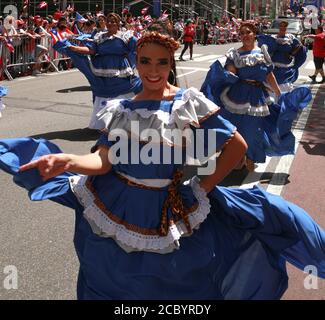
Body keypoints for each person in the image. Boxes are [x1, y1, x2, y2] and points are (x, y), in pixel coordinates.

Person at [1, 23, 325, 301]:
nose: (152, 70)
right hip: (119, 201)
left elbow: (236, 146)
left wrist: (203, 186)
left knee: (177, 279)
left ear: (171, 62)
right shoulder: (122, 108)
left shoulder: (187, 103)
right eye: (145, 61)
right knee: (111, 273)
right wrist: (69, 159)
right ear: (136, 62)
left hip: (169, 206)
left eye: (160, 62)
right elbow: (103, 160)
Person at [201, 22, 311, 171]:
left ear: (254, 34)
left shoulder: (262, 52)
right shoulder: (235, 53)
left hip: (257, 97)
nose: (245, 35)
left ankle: (251, 156)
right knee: (234, 129)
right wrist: (228, 73)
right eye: (242, 33)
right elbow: (231, 71)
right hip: (237, 96)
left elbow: (269, 74)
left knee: (253, 131)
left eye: (248, 32)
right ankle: (235, 156)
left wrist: (279, 93)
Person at [52, 12, 142, 129]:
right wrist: (74, 48)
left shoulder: (127, 36)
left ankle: (122, 121)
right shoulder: (100, 36)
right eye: (109, 21)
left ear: (118, 23)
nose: (110, 23)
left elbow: (140, 47)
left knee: (123, 90)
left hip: (120, 70)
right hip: (102, 70)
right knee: (103, 91)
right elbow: (91, 50)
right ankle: (104, 123)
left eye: (114, 21)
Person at [257, 20, 307, 94]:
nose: (283, 28)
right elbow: (262, 47)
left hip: (285, 71)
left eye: (285, 26)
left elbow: (300, 49)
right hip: (273, 68)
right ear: (279, 27)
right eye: (281, 26)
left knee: (284, 91)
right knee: (270, 91)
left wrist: (292, 54)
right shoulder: (271, 38)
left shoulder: (291, 38)